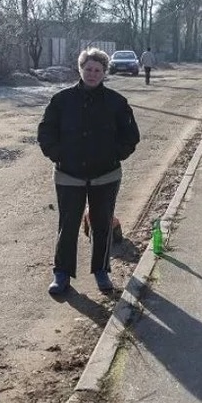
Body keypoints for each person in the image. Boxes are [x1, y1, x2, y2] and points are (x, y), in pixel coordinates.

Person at [37, 48, 140, 294]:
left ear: (105, 72)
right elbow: (45, 132)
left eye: (98, 70)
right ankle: (61, 273)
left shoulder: (116, 102)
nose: (92, 74)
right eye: (88, 69)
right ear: (80, 69)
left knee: (102, 224)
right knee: (68, 225)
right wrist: (58, 155)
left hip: (106, 175)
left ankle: (101, 271)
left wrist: (114, 155)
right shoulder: (61, 100)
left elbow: (131, 136)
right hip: (68, 175)